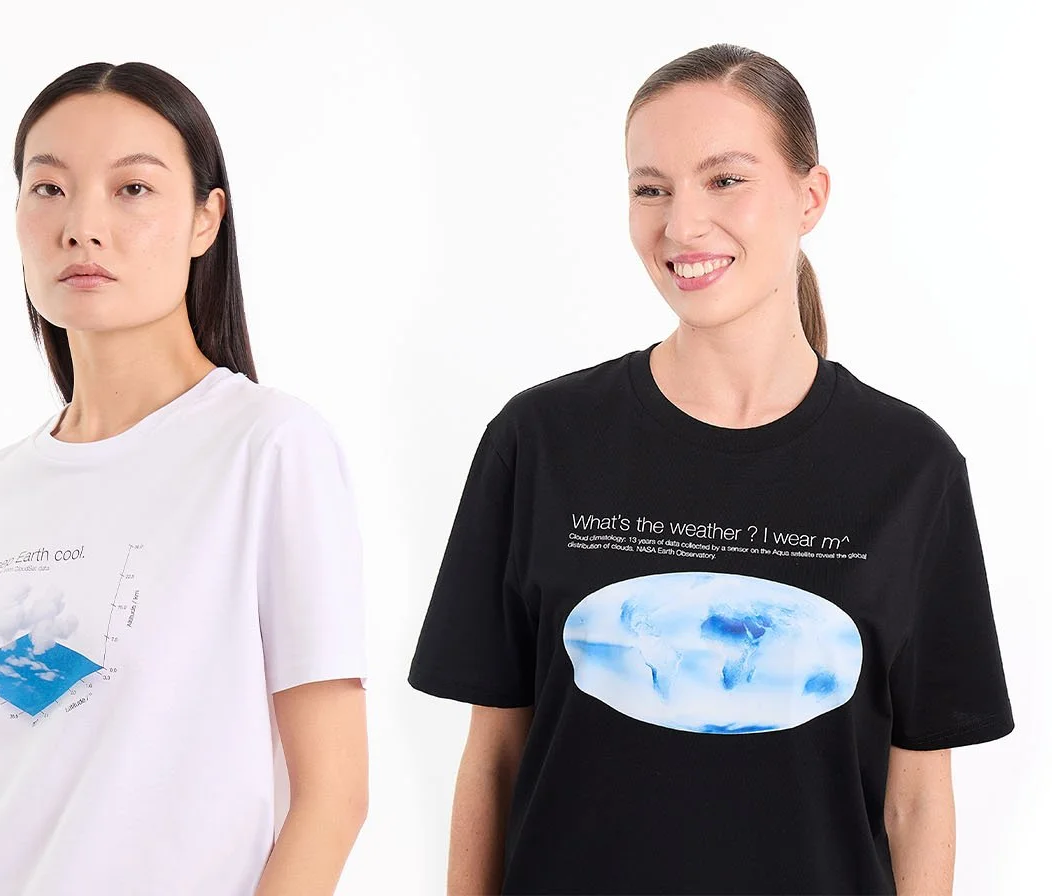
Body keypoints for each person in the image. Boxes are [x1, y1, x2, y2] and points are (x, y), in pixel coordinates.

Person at [409, 43, 1013, 895]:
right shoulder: (540, 441)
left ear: (811, 197)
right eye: (650, 188)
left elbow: (916, 802)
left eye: (724, 179)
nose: (681, 224)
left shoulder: (911, 469)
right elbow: (494, 761)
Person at [0, 62, 369, 896]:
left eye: (132, 189)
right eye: (48, 189)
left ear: (208, 219)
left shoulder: (267, 449)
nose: (82, 226)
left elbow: (334, 794)